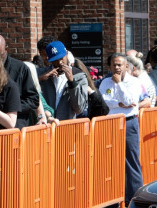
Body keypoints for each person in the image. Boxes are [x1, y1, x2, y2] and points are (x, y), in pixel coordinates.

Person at [98, 53, 143, 204]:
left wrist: (119, 84)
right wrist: (120, 103)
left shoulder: (134, 82)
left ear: (126, 66)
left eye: (120, 65)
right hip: (110, 124)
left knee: (131, 161)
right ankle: (114, 199)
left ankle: (135, 200)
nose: (117, 68)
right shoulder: (105, 83)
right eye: (114, 65)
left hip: (129, 123)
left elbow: (131, 101)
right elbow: (105, 102)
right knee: (111, 162)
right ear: (109, 66)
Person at [0, 34, 40, 128]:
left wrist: (11, 108)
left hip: (15, 128)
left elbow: (33, 100)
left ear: (6, 49)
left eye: (0, 55)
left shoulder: (20, 68)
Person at [38, 41, 88, 120]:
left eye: (61, 58)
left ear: (67, 54)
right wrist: (40, 79)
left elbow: (79, 109)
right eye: (55, 60)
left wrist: (72, 82)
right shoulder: (41, 73)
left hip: (66, 126)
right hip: (46, 125)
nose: (59, 62)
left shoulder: (79, 76)